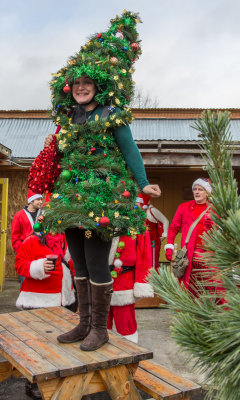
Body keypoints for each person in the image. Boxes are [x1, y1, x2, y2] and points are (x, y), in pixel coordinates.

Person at [36, 11, 161, 352]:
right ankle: (84, 323)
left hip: (102, 197)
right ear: (71, 88)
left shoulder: (111, 115)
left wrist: (142, 182)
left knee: (94, 261)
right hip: (72, 196)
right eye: (76, 85)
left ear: (97, 87)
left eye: (86, 85)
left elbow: (130, 149)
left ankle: (100, 330)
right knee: (76, 260)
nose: (80, 88)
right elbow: (58, 157)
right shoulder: (70, 120)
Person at [15, 231, 76, 399]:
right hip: (38, 302)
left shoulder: (68, 239)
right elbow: (19, 265)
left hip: (66, 300)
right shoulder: (32, 240)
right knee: (37, 346)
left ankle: (60, 380)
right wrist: (39, 267)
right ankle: (34, 382)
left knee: (61, 345)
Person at [164, 178, 225, 300]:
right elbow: (173, 228)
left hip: (210, 259)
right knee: (188, 291)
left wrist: (213, 227)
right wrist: (169, 245)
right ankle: (190, 317)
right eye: (195, 189)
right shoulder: (183, 207)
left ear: (207, 193)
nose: (197, 192)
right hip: (189, 259)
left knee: (212, 291)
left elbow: (223, 233)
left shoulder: (215, 210)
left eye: (200, 189)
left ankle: (211, 316)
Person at [107, 232, 154, 343]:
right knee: (100, 321)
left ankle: (129, 350)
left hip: (124, 281)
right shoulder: (99, 219)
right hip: (100, 277)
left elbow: (144, 255)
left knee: (125, 322)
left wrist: (141, 281)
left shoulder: (136, 224)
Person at [137, 193, 169, 269]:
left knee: (153, 263)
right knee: (144, 263)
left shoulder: (152, 210)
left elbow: (165, 221)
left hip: (153, 241)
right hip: (143, 242)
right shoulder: (140, 212)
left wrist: (164, 235)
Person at [11, 189, 43, 253]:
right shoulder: (19, 216)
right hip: (26, 252)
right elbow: (15, 238)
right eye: (38, 200)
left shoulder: (44, 214)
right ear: (31, 201)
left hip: (42, 252)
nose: (41, 202)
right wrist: (22, 251)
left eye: (41, 199)